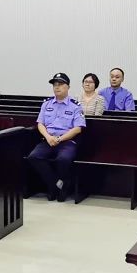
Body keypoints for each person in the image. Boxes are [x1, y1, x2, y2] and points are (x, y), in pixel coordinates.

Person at [27, 73, 86, 201]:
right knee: (33, 157)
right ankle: (54, 185)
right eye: (55, 85)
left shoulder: (75, 105)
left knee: (63, 159)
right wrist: (48, 137)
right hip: (48, 139)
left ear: (68, 87)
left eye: (60, 84)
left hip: (66, 141)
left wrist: (59, 139)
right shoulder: (47, 103)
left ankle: (64, 184)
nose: (57, 87)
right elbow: (40, 124)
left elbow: (78, 128)